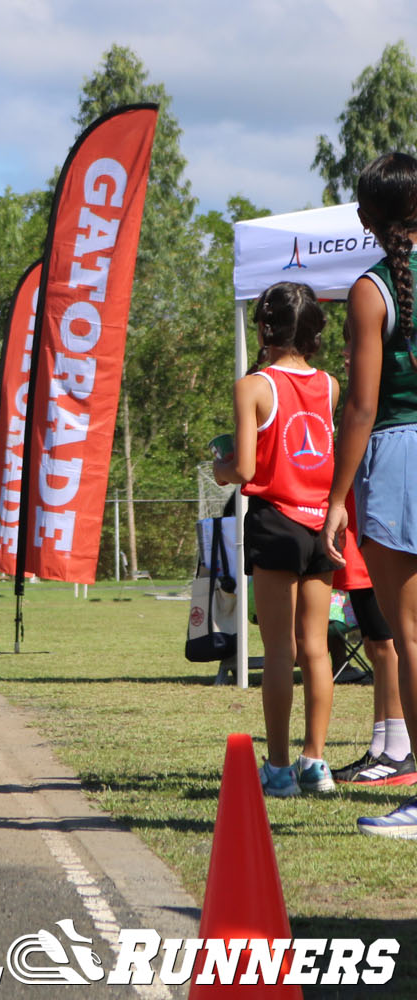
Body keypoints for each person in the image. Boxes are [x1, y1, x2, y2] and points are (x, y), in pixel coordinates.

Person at [322, 150, 417, 836]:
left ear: (366, 219)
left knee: (411, 637)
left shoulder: (370, 289)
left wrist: (333, 500)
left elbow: (359, 407)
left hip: (398, 457)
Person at [214, 281, 338, 798]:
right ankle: (317, 763)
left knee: (278, 650)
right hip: (320, 522)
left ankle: (281, 769)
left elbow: (243, 467)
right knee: (317, 649)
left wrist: (220, 468)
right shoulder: (330, 386)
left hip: (274, 521)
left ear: (265, 329)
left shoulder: (254, 387)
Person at [331, 326, 413, 786]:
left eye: (353, 345)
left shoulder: (379, 417)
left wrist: (337, 500)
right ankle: (385, 745)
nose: (346, 355)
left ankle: (399, 750)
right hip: (360, 543)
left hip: (376, 537)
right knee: (382, 647)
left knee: (391, 645)